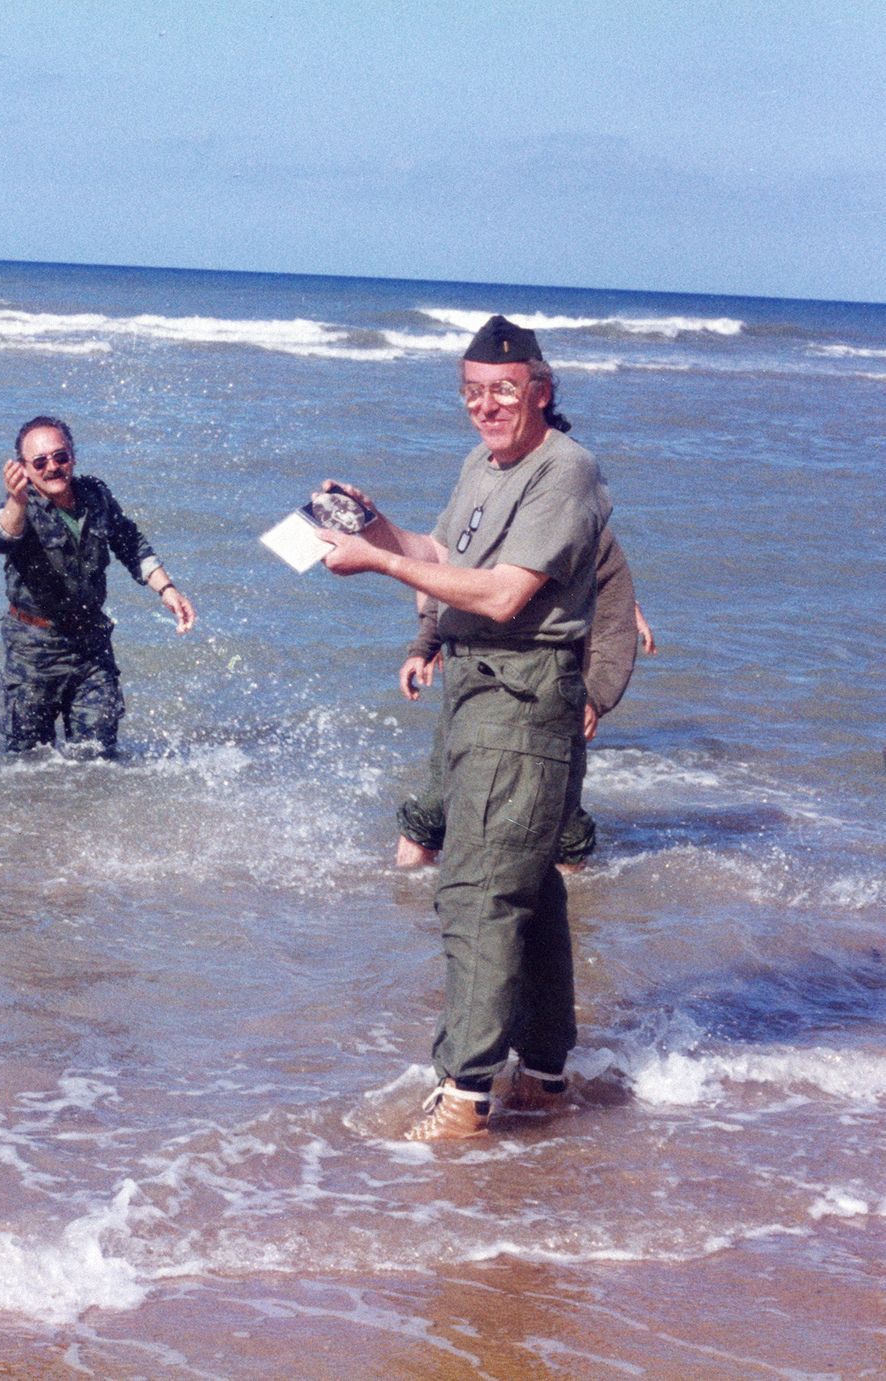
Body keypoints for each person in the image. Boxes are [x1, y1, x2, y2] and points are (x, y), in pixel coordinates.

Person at [314, 316, 611, 1141]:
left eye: (503, 393)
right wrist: (378, 531)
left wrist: (377, 564)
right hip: (478, 696)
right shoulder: (481, 464)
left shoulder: (567, 469)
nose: (485, 407)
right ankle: (545, 1077)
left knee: (476, 889)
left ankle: (466, 1093)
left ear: (541, 392)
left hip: (524, 699)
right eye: (472, 393)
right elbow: (445, 556)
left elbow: (502, 595)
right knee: (529, 887)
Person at [395, 527, 657, 871]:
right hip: (476, 675)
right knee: (438, 804)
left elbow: (613, 621)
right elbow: (449, 579)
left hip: (554, 686)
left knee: (561, 821)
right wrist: (425, 646)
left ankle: (573, 915)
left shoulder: (585, 527)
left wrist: (595, 697)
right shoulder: (489, 510)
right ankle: (406, 906)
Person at [0, 416, 195, 756]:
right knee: (27, 764)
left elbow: (130, 542)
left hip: (91, 649)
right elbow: (1, 537)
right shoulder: (19, 509)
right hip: (33, 653)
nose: (52, 467)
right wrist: (17, 501)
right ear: (24, 469)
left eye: (60, 457)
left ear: (73, 456)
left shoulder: (95, 497)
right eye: (39, 462)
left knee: (97, 760)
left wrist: (167, 589)